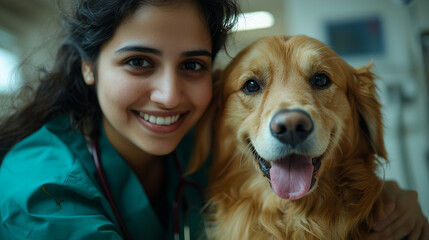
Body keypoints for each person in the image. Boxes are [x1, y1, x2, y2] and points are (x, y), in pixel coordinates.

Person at [0, 0, 427, 239]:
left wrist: (389, 199)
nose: (169, 97)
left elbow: (348, 170)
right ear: (88, 66)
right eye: (138, 62)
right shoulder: (38, 191)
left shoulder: (205, 141)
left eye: (192, 66)